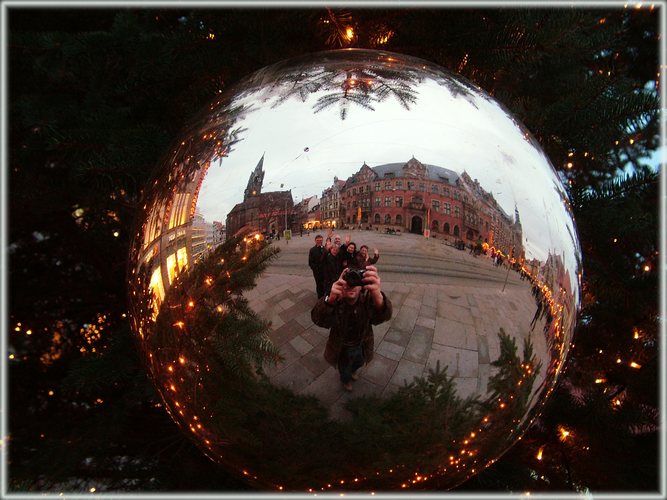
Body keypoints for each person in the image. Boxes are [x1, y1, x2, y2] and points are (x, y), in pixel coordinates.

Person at [311, 265, 392, 391]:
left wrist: (378, 298)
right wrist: (330, 300)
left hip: (361, 344)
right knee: (344, 368)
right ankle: (345, 380)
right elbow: (318, 320)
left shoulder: (366, 301)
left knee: (359, 362)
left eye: (356, 280)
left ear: (362, 285)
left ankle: (353, 371)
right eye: (347, 279)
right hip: (342, 347)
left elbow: (383, 317)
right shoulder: (335, 303)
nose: (351, 284)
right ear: (340, 283)